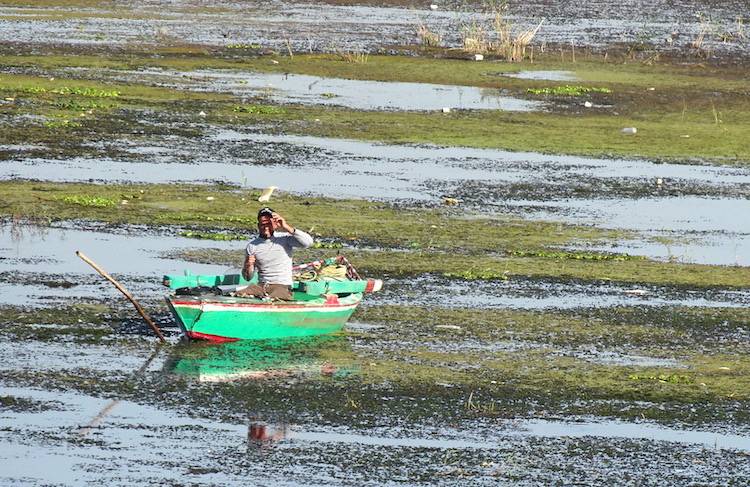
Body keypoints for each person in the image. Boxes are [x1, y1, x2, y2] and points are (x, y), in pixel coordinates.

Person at [237, 207, 313, 300]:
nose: (266, 227)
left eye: (269, 224)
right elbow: (247, 277)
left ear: (275, 224)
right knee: (238, 295)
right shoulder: (252, 246)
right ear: (258, 225)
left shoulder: (285, 238)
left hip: (282, 286)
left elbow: (308, 243)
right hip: (261, 286)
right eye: (262, 224)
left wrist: (286, 226)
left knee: (274, 298)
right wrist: (247, 265)